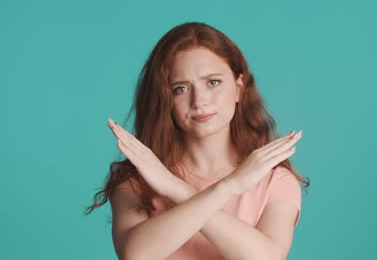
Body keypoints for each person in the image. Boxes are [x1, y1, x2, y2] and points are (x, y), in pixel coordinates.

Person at [85, 22, 310, 260]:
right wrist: (229, 187)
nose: (199, 101)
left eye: (213, 82)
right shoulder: (138, 180)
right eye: (180, 88)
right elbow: (136, 255)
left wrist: (176, 188)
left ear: (239, 88)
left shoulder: (274, 181)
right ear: (165, 99)